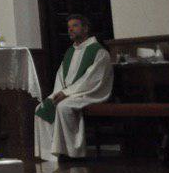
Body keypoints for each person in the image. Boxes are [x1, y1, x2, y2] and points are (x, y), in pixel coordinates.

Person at [34, 14, 113, 162]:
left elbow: (91, 79)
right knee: (41, 108)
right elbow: (61, 76)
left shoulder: (98, 51)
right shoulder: (70, 52)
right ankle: (50, 153)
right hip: (69, 93)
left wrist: (67, 93)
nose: (70, 30)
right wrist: (58, 93)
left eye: (75, 26)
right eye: (69, 27)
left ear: (86, 28)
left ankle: (73, 153)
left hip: (90, 93)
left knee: (64, 107)